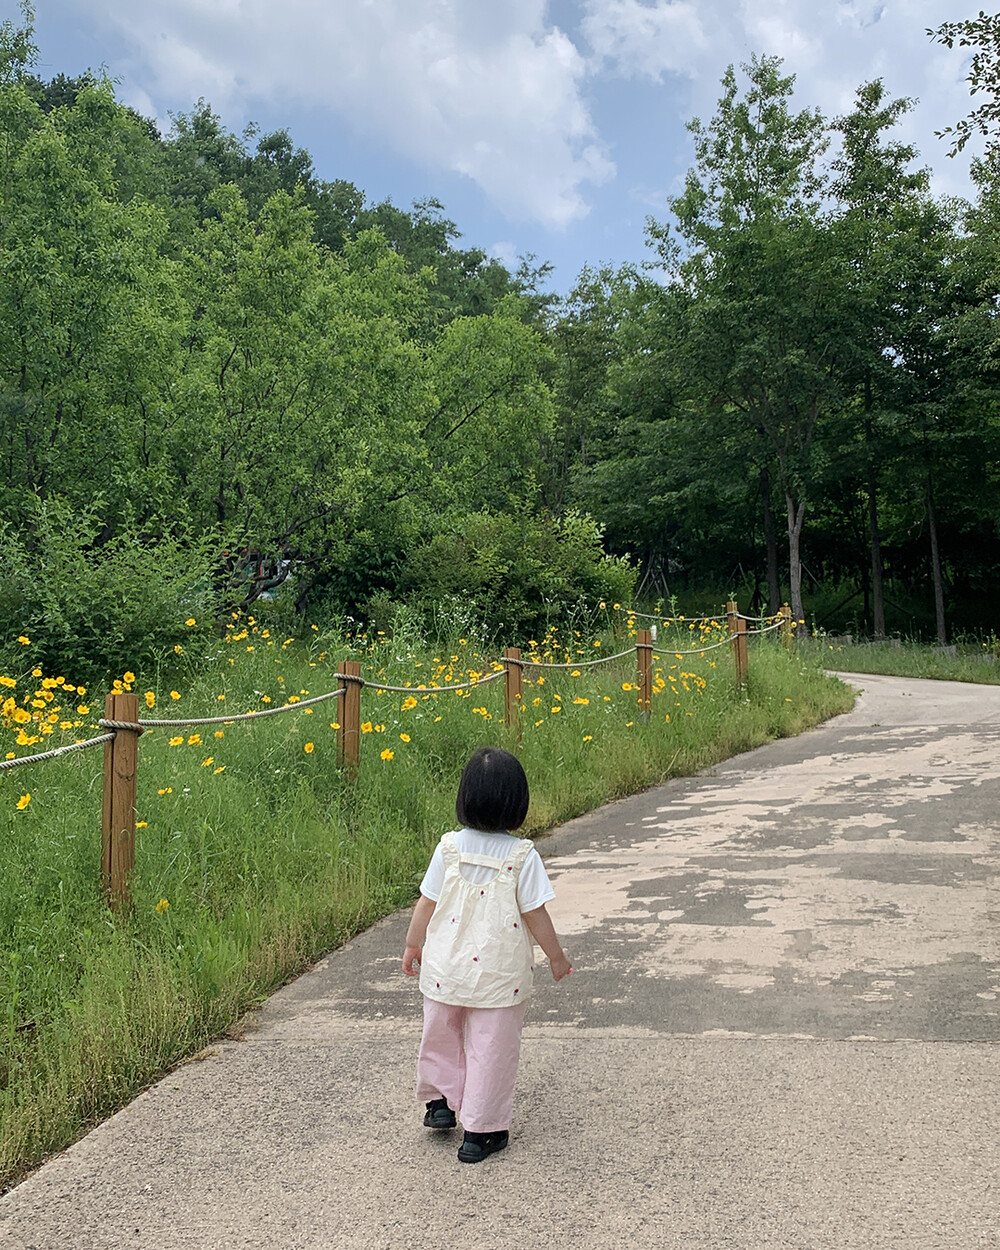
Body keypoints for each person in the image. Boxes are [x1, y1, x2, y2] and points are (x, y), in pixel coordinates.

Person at [402, 745, 572, 1163]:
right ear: (517, 804)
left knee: (440, 1033)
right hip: (499, 974)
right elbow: (535, 913)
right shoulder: (522, 856)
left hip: (445, 967)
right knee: (492, 1047)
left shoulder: (448, 848)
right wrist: (556, 956)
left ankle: (440, 1103)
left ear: (464, 798)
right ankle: (481, 1132)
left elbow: (426, 902)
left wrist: (412, 944)